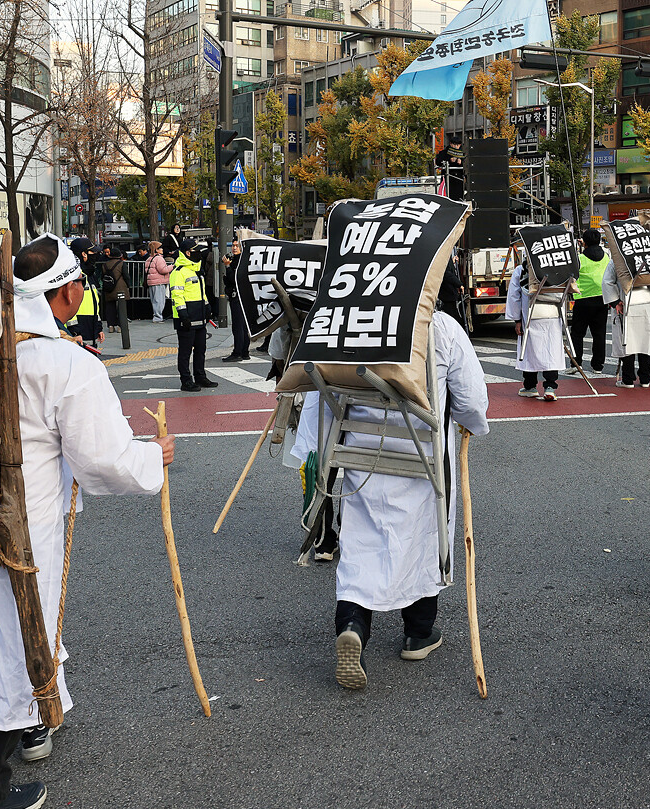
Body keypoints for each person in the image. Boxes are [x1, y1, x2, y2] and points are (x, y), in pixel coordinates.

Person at [0, 234, 173, 809]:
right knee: (12, 642)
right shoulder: (66, 364)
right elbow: (103, 461)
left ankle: (33, 723)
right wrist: (152, 458)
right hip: (19, 530)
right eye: (78, 282)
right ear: (63, 293)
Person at [295, 311, 489, 690]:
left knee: (361, 540)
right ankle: (419, 633)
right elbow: (470, 398)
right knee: (425, 536)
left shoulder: (352, 319)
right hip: (422, 453)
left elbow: (324, 395)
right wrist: (473, 422)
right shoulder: (440, 326)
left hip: (362, 452)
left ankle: (352, 625)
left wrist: (318, 455)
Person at [505, 250, 565, 401]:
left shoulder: (522, 269)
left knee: (529, 350)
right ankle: (550, 386)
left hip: (530, 315)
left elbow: (514, 296)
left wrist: (516, 320)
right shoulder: (558, 268)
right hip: (552, 314)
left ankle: (530, 386)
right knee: (551, 349)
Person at [169, 237, 218, 391]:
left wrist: (207, 307)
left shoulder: (196, 271)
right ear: (188, 253)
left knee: (200, 349)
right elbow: (177, 295)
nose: (199, 254)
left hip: (199, 317)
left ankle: (200, 377)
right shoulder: (178, 272)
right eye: (196, 251)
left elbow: (201, 293)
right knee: (185, 352)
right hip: (186, 318)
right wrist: (183, 314)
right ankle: (186, 381)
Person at [601, 259, 650, 388]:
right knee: (645, 340)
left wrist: (614, 302)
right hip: (645, 299)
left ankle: (628, 378)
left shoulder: (617, 258)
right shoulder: (646, 256)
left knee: (627, 340)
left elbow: (607, 281)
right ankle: (645, 378)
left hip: (625, 299)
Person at [566, 229, 610, 376]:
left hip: (583, 300)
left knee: (577, 333)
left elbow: (572, 276)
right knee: (599, 334)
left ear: (584, 242)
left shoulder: (580, 258)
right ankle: (598, 365)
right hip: (602, 299)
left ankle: (576, 363)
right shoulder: (606, 257)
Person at [67, 237, 103, 351]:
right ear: (84, 254)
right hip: (78, 331)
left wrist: (99, 327)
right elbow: (69, 304)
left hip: (91, 328)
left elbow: (94, 302)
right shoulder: (75, 276)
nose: (95, 255)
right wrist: (75, 331)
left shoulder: (89, 274)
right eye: (93, 252)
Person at [221, 238, 250, 362]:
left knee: (238, 326)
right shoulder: (241, 260)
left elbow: (234, 280)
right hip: (242, 296)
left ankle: (238, 352)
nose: (234, 248)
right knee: (242, 326)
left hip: (237, 296)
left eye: (237, 246)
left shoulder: (240, 261)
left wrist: (227, 267)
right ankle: (244, 352)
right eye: (233, 245)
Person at [99, 245, 128, 333]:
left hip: (108, 288)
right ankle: (120, 326)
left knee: (109, 307)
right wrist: (128, 286)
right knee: (121, 307)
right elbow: (126, 276)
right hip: (121, 288)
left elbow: (102, 277)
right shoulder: (122, 264)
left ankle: (111, 325)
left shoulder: (105, 265)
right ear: (120, 255)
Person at [145, 241, 172, 322]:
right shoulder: (159, 258)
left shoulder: (149, 259)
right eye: (160, 248)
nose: (162, 249)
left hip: (151, 282)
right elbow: (163, 270)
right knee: (159, 301)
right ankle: (158, 317)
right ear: (156, 250)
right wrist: (172, 266)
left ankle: (156, 316)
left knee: (154, 300)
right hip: (159, 282)